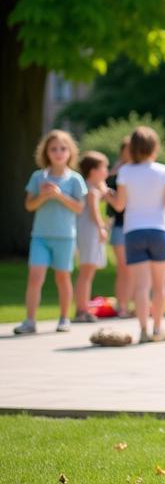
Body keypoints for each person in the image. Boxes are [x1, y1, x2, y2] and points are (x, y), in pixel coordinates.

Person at [106, 126, 165, 343]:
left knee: (141, 286)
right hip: (158, 230)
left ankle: (143, 330)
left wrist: (107, 194)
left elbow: (119, 206)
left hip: (133, 232)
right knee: (159, 285)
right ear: (154, 147)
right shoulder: (163, 171)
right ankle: (158, 329)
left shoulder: (126, 172)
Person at [14, 130, 87, 335]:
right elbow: (29, 205)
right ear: (46, 151)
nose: (58, 152)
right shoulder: (38, 177)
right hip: (40, 236)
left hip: (65, 237)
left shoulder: (75, 180)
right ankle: (30, 321)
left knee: (63, 278)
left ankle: (64, 318)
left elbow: (79, 208)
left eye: (62, 148)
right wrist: (44, 196)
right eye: (53, 148)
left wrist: (59, 195)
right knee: (35, 277)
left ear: (70, 152)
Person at [73, 151, 110, 323]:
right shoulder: (92, 191)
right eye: (104, 168)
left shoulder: (89, 186)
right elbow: (94, 211)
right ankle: (82, 310)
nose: (106, 171)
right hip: (89, 232)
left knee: (86, 273)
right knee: (86, 273)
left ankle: (82, 309)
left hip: (85, 231)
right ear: (93, 171)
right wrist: (102, 227)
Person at [105, 137, 133, 317]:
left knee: (134, 270)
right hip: (120, 225)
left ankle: (129, 305)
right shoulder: (116, 175)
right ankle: (122, 306)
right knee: (123, 268)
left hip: (136, 225)